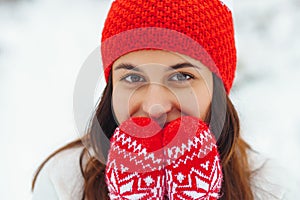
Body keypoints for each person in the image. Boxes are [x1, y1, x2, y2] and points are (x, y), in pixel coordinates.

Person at [31, 0, 278, 199]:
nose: (154, 106)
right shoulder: (62, 184)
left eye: (181, 76)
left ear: (218, 90)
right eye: (133, 78)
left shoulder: (275, 190)